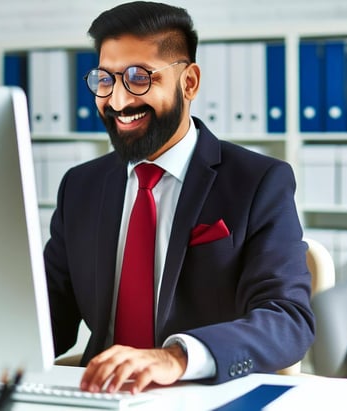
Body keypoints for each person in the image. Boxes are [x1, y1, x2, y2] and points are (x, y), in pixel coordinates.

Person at [44, 1, 314, 395]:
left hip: (197, 394)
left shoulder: (258, 182)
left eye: (138, 78)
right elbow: (49, 315)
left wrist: (176, 357)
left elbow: (289, 320)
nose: (118, 101)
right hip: (97, 398)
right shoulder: (80, 187)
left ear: (188, 83)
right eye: (105, 80)